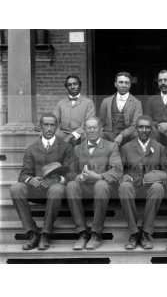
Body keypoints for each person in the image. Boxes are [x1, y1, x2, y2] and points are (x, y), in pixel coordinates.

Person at [10, 113, 74, 250]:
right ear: (41, 127)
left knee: (56, 189)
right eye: (46, 125)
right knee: (16, 188)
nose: (49, 128)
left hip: (56, 190)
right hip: (37, 189)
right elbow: (23, 174)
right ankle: (32, 232)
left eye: (52, 125)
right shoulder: (31, 149)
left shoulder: (66, 147)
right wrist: (30, 179)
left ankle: (46, 233)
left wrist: (58, 179)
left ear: (56, 127)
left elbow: (72, 173)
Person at [66, 117, 123, 250]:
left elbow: (117, 170)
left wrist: (99, 176)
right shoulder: (77, 149)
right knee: (71, 185)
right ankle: (82, 233)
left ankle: (96, 233)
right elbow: (69, 172)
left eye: (94, 127)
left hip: (104, 187)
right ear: (84, 131)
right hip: (84, 186)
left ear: (100, 129)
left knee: (101, 185)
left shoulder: (111, 146)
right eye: (88, 128)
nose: (91, 130)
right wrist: (78, 177)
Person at [119, 115, 167, 250]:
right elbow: (119, 171)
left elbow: (166, 173)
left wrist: (153, 177)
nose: (144, 130)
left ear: (151, 129)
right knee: (124, 187)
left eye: (147, 127)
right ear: (136, 129)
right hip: (133, 186)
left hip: (150, 187)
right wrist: (125, 177)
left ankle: (146, 233)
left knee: (158, 187)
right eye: (141, 127)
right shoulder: (126, 148)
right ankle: (134, 233)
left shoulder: (159, 148)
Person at [99, 71, 143, 146]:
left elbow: (135, 124)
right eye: (121, 82)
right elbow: (101, 122)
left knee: (136, 135)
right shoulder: (106, 101)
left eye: (126, 83)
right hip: (109, 136)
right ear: (115, 84)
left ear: (130, 85)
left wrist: (122, 135)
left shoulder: (137, 103)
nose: (124, 85)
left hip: (128, 136)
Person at [53, 75, 96, 146]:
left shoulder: (88, 102)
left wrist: (73, 135)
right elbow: (54, 120)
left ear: (80, 85)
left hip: (82, 135)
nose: (72, 87)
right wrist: (58, 133)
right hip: (63, 134)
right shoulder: (61, 103)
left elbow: (89, 122)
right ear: (66, 87)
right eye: (69, 85)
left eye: (75, 84)